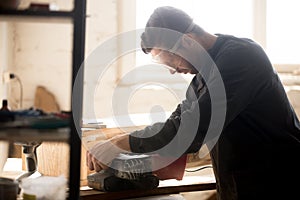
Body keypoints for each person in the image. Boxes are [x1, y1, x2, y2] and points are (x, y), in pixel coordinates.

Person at [87, 6, 300, 199]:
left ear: (188, 40)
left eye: (172, 61)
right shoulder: (201, 76)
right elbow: (178, 120)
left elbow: (191, 129)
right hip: (239, 183)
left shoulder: (241, 58)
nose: (172, 70)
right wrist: (123, 144)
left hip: (277, 182)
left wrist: (120, 143)